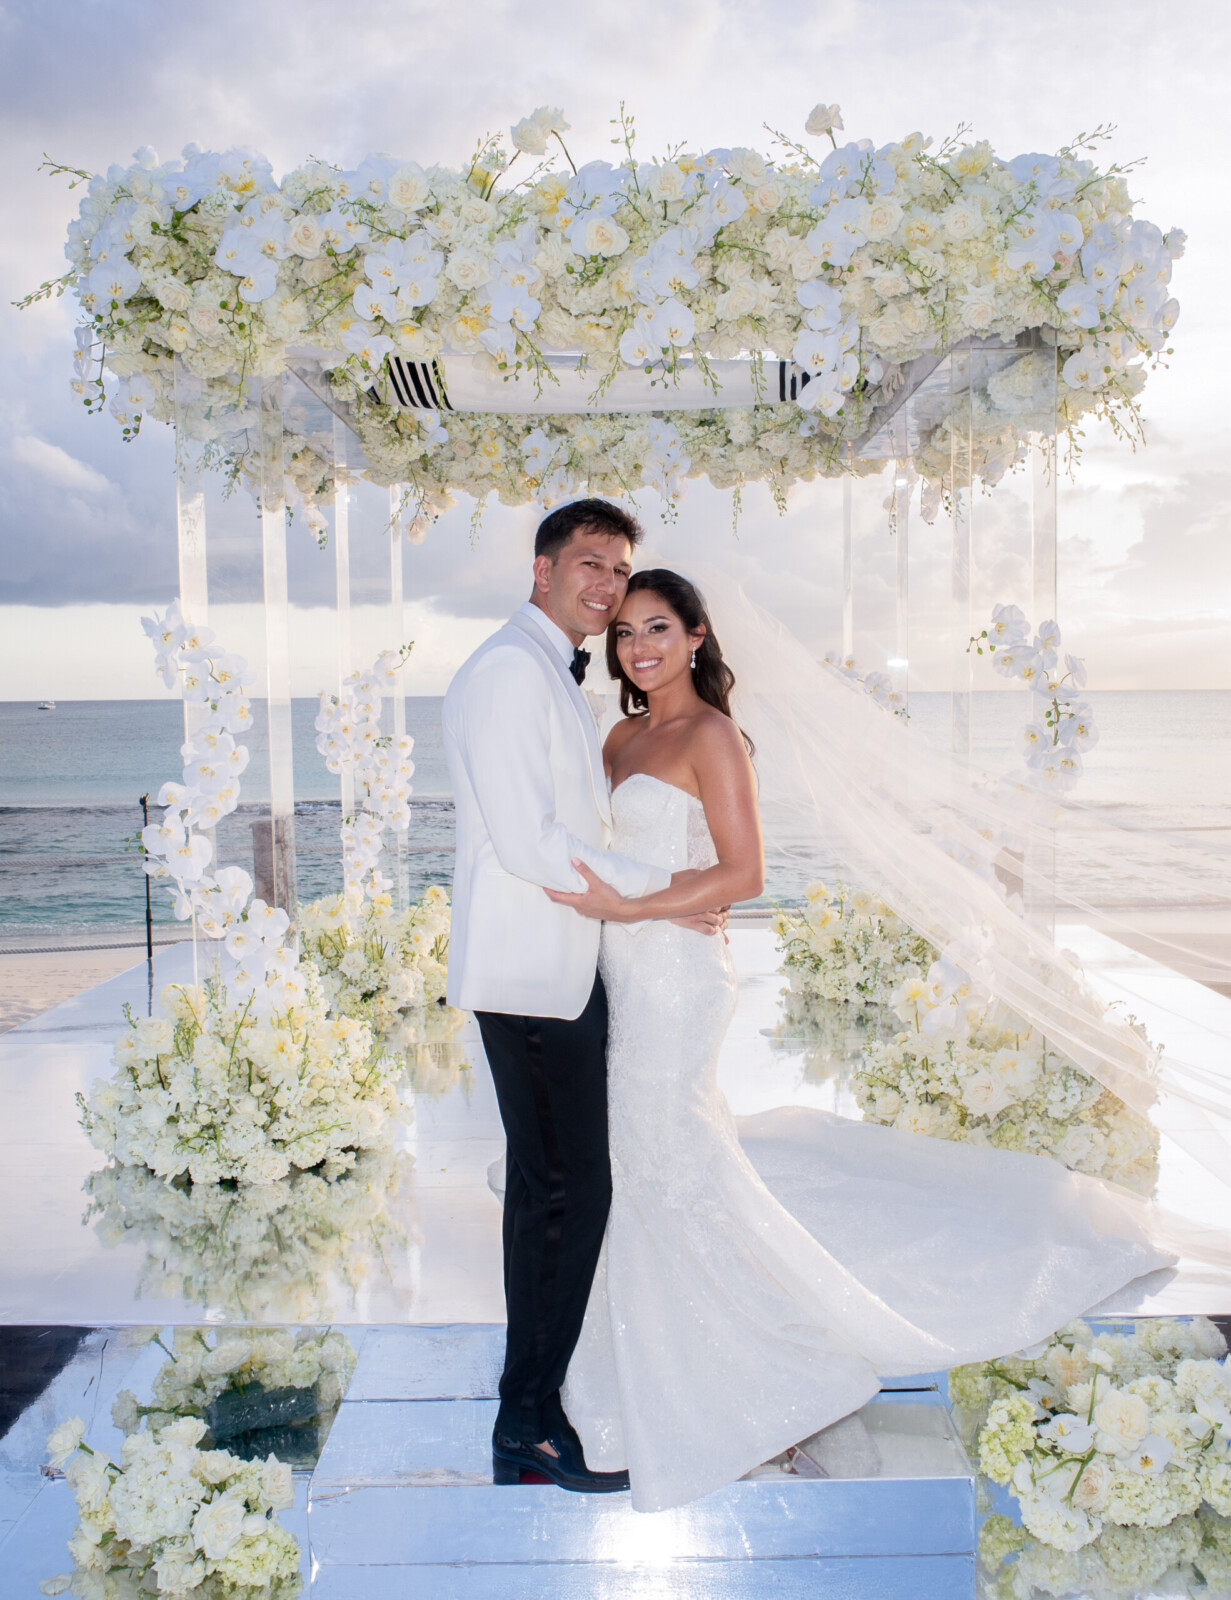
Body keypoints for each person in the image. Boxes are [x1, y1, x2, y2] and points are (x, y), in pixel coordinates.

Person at [544, 567, 1172, 1513]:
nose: (639, 647)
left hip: (674, 980)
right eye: (626, 631)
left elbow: (742, 872)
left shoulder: (711, 737)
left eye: (659, 628)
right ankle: (668, 1347)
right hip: (624, 970)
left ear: (698, 636)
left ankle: (782, 1374)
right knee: (644, 1160)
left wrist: (638, 903)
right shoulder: (620, 733)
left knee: (665, 1153)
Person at [442, 503, 724, 1494]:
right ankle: (529, 1418)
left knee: (551, 1191)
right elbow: (527, 841)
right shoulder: (510, 673)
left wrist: (651, 900)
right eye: (590, 563)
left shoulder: (554, 674)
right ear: (542, 567)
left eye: (620, 570)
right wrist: (653, 896)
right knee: (568, 1192)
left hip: (562, 967)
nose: (606, 586)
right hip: (531, 974)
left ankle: (530, 1405)